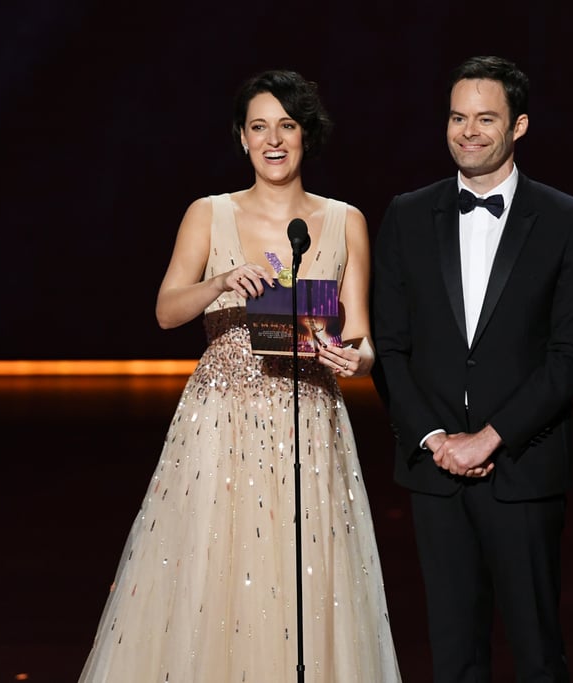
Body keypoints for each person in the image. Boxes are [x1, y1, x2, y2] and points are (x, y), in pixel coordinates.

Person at [77, 69, 402, 682]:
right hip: (219, 423)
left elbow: (361, 341)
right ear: (242, 138)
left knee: (305, 574)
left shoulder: (345, 220)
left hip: (310, 418)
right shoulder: (209, 214)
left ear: (308, 134)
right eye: (259, 127)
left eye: (287, 125)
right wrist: (221, 282)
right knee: (217, 569)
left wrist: (351, 360)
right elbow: (166, 311)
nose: (273, 140)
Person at [371, 55, 573, 682]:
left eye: (485, 118)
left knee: (536, 652)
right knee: (452, 656)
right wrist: (436, 439)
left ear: (519, 126)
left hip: (523, 468)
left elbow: (571, 356)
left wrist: (491, 437)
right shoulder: (407, 214)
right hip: (434, 472)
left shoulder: (566, 220)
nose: (467, 131)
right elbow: (390, 347)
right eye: (456, 117)